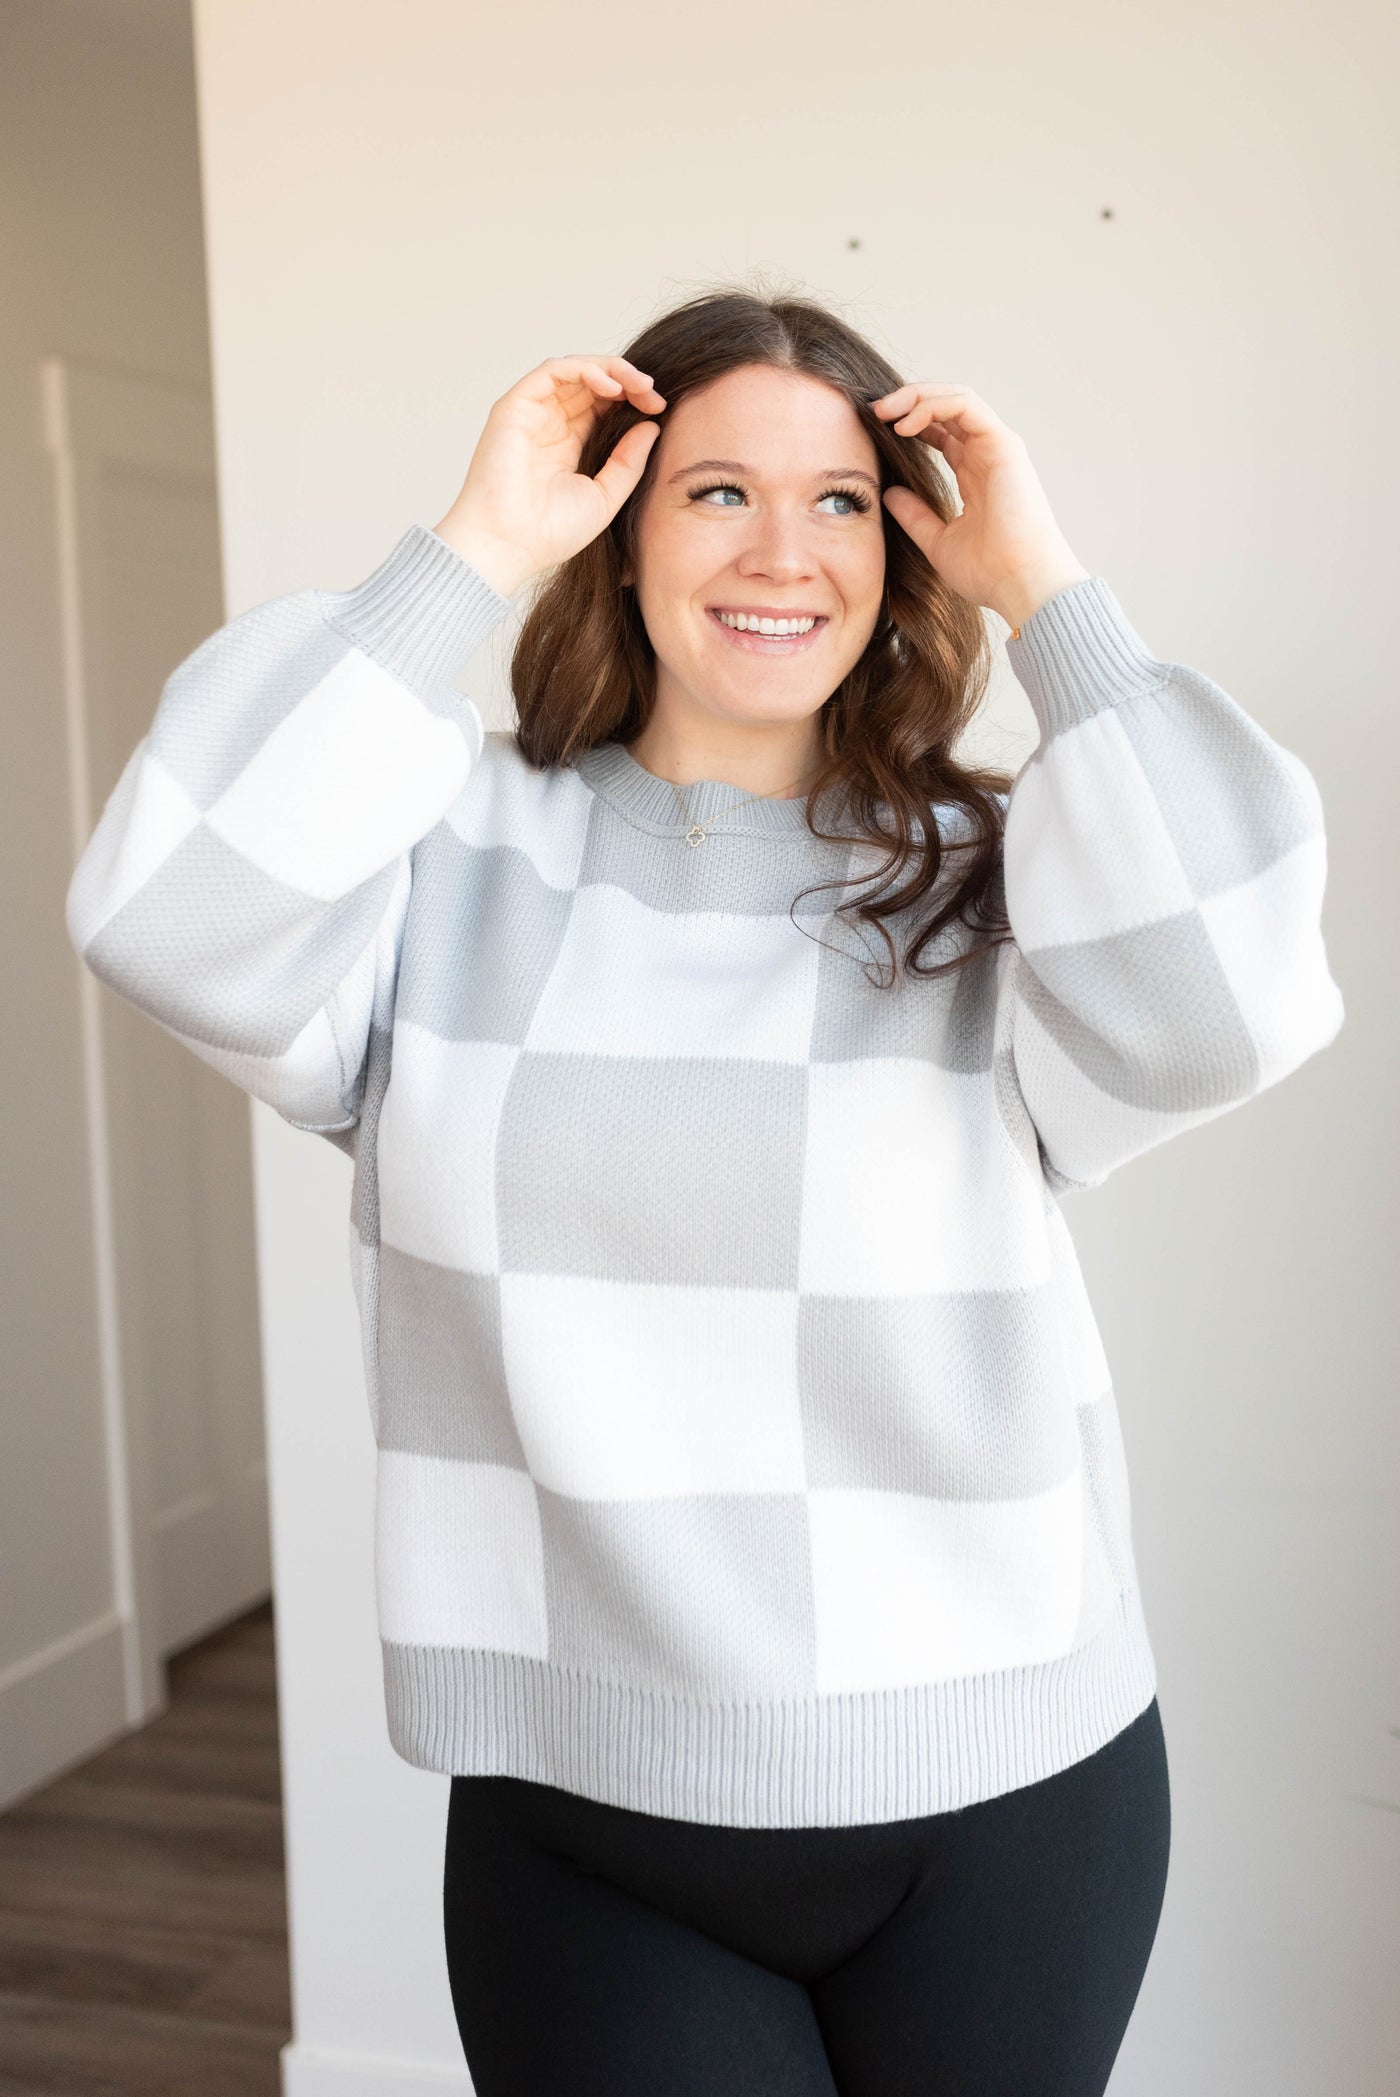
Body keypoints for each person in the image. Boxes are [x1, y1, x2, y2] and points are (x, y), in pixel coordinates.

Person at [64, 285, 1344, 2095]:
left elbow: (1233, 1001)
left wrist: (1047, 588)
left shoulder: (1006, 876)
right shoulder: (446, 858)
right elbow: (167, 913)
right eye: (717, 490)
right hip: (591, 1822)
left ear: (901, 556)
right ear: (624, 525)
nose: (784, 551)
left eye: (840, 501)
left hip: (1005, 1805)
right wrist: (473, 545)